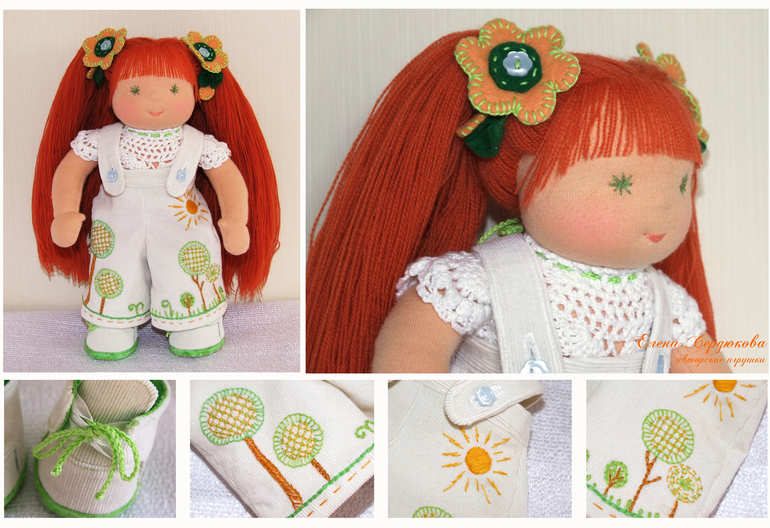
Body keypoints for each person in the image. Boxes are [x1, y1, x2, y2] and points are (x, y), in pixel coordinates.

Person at [307, 19, 728, 374]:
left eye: (681, 185)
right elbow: (412, 356)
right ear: (522, 174)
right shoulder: (479, 282)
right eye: (621, 183)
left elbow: (713, 388)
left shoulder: (667, 304)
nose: (664, 210)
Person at [32, 29, 280, 359]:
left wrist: (235, 220)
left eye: (174, 89)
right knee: (115, 266)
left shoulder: (198, 143)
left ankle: (194, 320)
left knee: (186, 266)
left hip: (182, 225)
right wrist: (65, 212)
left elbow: (227, 179)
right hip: (117, 226)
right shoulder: (101, 140)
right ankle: (112, 321)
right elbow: (70, 171)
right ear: (112, 92)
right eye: (135, 90)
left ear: (196, 92)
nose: (154, 102)